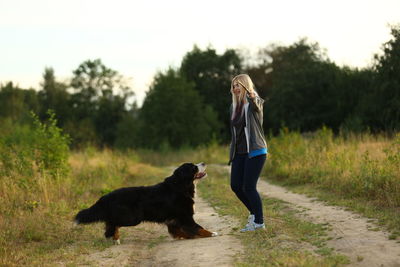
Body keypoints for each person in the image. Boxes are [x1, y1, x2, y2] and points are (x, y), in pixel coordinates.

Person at [229, 74, 267, 232]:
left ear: (245, 86)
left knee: (249, 187)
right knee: (236, 186)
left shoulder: (253, 104)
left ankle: (259, 222)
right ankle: (253, 215)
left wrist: (253, 96)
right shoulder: (233, 107)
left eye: (238, 85)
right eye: (233, 86)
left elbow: (257, 105)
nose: (236, 88)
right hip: (240, 153)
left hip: (256, 151)